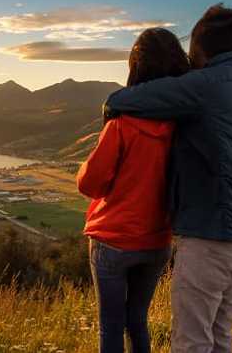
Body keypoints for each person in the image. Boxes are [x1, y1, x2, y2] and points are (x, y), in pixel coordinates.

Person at [104, 4, 232, 352]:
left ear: (197, 48)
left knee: (191, 342)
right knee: (220, 338)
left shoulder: (205, 85)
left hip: (211, 238)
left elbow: (123, 99)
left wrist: (111, 111)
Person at [76, 27, 189, 353]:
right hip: (157, 240)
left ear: (136, 66)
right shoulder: (184, 127)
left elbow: (90, 183)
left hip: (113, 239)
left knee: (111, 326)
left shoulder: (121, 124)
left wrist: (83, 167)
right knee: (137, 321)